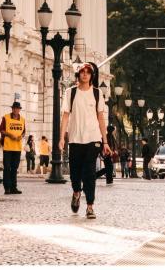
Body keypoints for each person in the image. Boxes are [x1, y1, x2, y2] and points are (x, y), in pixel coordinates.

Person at [59, 62, 110, 220]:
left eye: (88, 72)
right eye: (82, 72)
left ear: (91, 75)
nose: (85, 74)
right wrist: (62, 138)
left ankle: (90, 206)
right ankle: (76, 192)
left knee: (89, 173)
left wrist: (105, 141)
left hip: (93, 139)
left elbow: (101, 117)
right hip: (75, 138)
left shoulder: (97, 93)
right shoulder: (70, 93)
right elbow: (65, 116)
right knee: (75, 174)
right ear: (78, 74)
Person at [0, 101, 26, 195]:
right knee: (7, 168)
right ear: (12, 109)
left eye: (18, 109)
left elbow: (23, 132)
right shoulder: (6, 117)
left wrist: (21, 136)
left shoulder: (22, 119)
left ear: (19, 110)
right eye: (14, 108)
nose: (16, 110)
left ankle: (14, 187)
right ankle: (7, 188)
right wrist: (10, 135)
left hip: (17, 148)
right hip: (7, 147)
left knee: (14, 168)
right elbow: (1, 130)